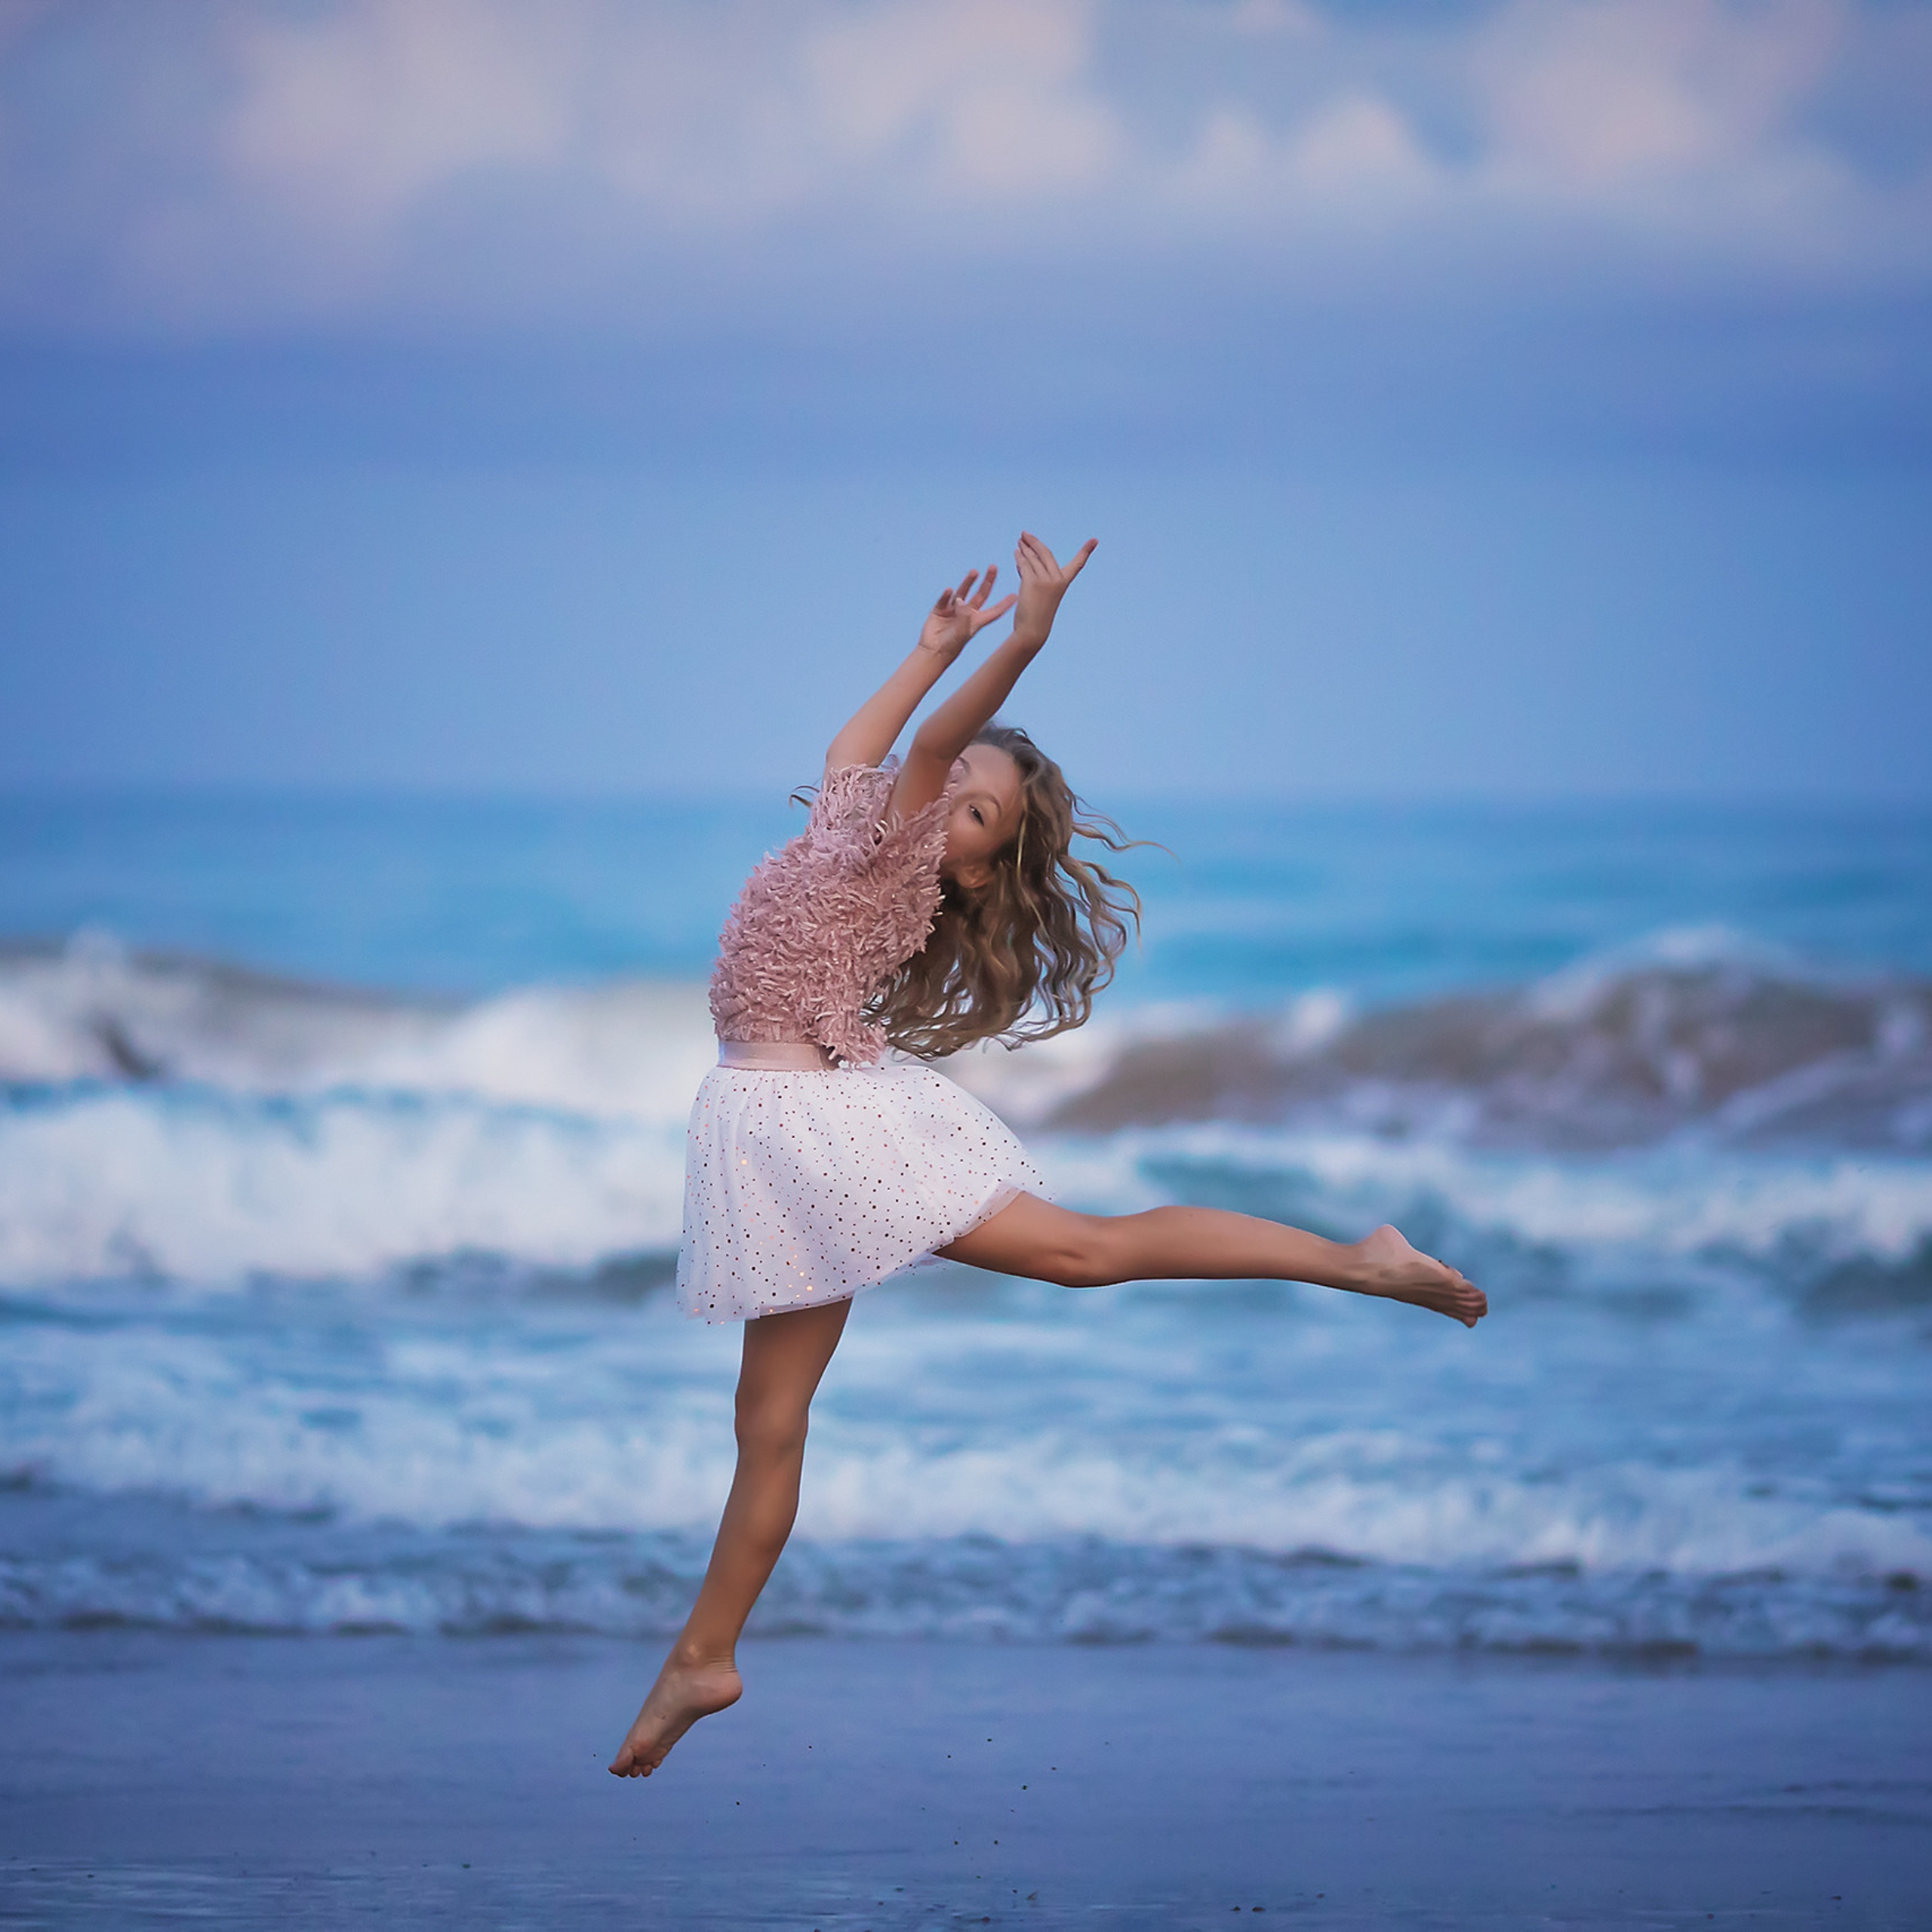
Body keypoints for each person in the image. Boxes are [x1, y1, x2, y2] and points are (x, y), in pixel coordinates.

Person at [610, 533, 1486, 1778]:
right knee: (772, 1420)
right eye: (962, 778)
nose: (946, 792)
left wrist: (1017, 643)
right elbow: (866, 747)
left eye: (974, 809)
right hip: (768, 1128)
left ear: (966, 859)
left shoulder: (900, 859)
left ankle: (1363, 1262)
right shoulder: (850, 839)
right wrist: (925, 649)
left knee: (1085, 1252)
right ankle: (706, 1655)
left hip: (809, 1130)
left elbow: (913, 748)